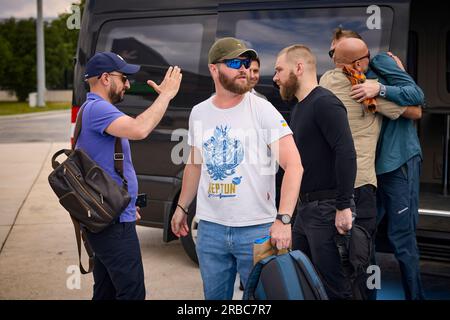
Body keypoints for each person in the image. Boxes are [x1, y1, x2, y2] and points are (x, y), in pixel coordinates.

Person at [171, 37, 303, 300]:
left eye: (245, 62)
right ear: (214, 69)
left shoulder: (263, 110)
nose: (243, 68)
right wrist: (182, 207)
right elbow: (195, 164)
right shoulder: (199, 112)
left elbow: (294, 165)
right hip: (209, 229)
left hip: (256, 231)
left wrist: (284, 219)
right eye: (234, 62)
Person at [320, 37, 422, 299]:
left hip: (397, 162)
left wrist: (380, 89)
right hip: (369, 171)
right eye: (332, 53)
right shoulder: (334, 79)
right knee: (367, 237)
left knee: (402, 238)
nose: (332, 59)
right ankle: (370, 295)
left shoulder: (380, 64)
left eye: (335, 52)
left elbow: (417, 107)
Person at [77, 52, 182, 300]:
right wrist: (166, 95)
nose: (127, 84)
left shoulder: (90, 108)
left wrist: (127, 203)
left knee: (106, 291)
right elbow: (140, 129)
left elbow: (106, 166)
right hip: (112, 224)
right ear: (105, 78)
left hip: (109, 216)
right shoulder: (98, 108)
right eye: (123, 78)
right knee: (131, 292)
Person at [273, 44, 357, 299]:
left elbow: (346, 153)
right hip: (305, 211)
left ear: (298, 68)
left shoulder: (325, 103)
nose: (275, 77)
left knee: (332, 288)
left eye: (279, 70)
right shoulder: (299, 108)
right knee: (305, 283)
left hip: (326, 210)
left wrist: (343, 206)